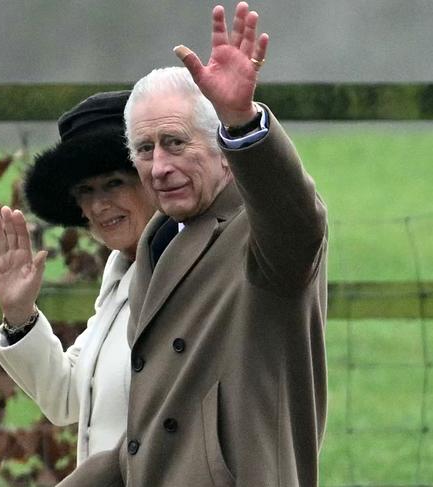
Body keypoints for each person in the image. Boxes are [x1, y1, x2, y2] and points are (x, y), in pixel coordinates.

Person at [58, 3, 328, 486]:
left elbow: (297, 223)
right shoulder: (157, 242)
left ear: (221, 148)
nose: (158, 166)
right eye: (145, 149)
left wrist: (244, 124)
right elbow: (149, 438)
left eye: (175, 143)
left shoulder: (260, 232)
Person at [0, 91, 156, 465]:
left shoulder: (194, 267)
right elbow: (67, 398)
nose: (98, 205)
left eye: (113, 183)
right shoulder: (121, 274)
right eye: (85, 191)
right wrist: (19, 314)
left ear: (152, 180)